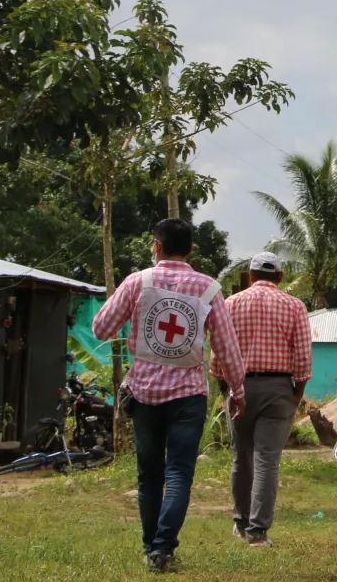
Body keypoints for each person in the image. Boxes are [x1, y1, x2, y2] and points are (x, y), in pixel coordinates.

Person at [92, 218, 246, 574]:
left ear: (155, 246)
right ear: (191, 251)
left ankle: (151, 548)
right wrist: (238, 390)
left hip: (144, 393)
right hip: (188, 396)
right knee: (179, 473)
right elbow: (227, 348)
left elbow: (100, 327)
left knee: (149, 475)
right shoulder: (208, 288)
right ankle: (163, 549)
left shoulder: (137, 282)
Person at [217, 251, 312, 548]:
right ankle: (258, 533)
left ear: (251, 275)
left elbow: (217, 353)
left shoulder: (230, 304)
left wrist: (227, 389)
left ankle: (241, 522)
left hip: (239, 387)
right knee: (267, 461)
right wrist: (296, 393)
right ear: (281, 277)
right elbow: (303, 357)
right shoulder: (295, 306)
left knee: (241, 458)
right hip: (278, 389)